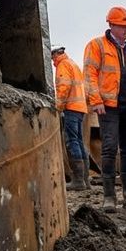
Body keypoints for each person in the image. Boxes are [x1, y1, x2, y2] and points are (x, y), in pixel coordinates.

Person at [84, 7, 126, 213]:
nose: (125, 30)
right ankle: (109, 197)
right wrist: (95, 100)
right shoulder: (97, 45)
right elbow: (89, 73)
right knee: (109, 149)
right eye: (121, 27)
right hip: (109, 106)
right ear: (111, 25)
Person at [53, 46, 89, 192]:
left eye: (52, 56)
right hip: (80, 108)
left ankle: (78, 180)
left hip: (71, 108)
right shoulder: (72, 63)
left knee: (72, 141)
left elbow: (64, 87)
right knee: (79, 142)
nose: (52, 60)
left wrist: (58, 107)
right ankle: (85, 180)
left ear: (56, 54)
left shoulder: (63, 65)